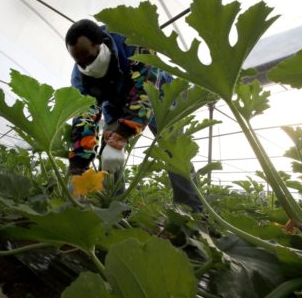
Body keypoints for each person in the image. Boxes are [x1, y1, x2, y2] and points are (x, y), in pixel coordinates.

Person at [65, 19, 202, 212]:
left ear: (101, 42)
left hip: (159, 95)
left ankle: (192, 213)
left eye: (89, 58)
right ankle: (116, 210)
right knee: (108, 156)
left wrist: (120, 138)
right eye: (80, 63)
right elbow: (84, 118)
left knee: (174, 151)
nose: (87, 66)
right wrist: (78, 167)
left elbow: (144, 93)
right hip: (116, 105)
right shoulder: (80, 77)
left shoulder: (132, 40)